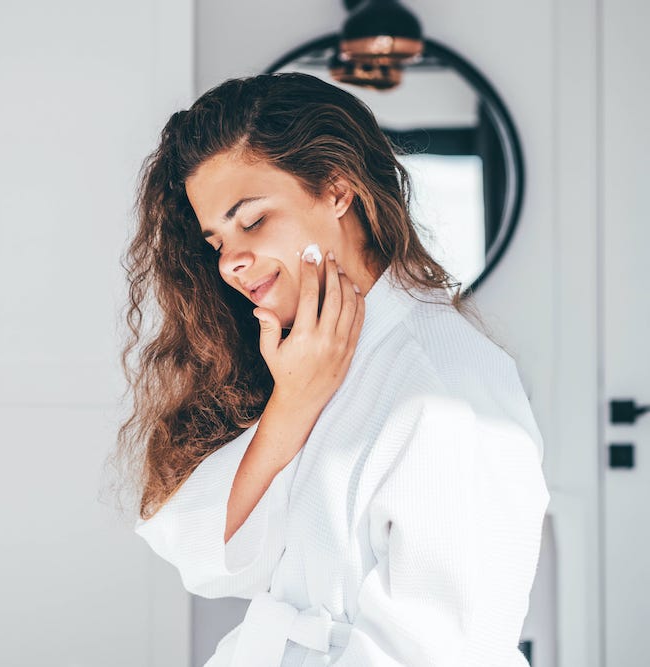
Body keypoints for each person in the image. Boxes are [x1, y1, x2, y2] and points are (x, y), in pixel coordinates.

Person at [116, 72, 550, 666]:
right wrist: (292, 404)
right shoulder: (304, 363)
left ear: (338, 191)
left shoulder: (449, 390)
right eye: (217, 241)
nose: (232, 263)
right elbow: (200, 552)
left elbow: (445, 650)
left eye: (253, 220)